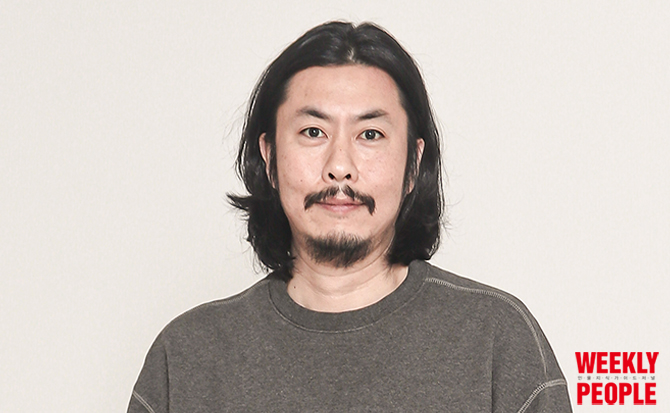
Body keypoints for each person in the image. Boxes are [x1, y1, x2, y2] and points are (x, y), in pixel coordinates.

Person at [128, 21, 572, 412]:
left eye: (370, 134)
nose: (340, 166)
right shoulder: (186, 357)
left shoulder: (496, 339)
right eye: (313, 131)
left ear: (413, 165)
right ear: (269, 157)